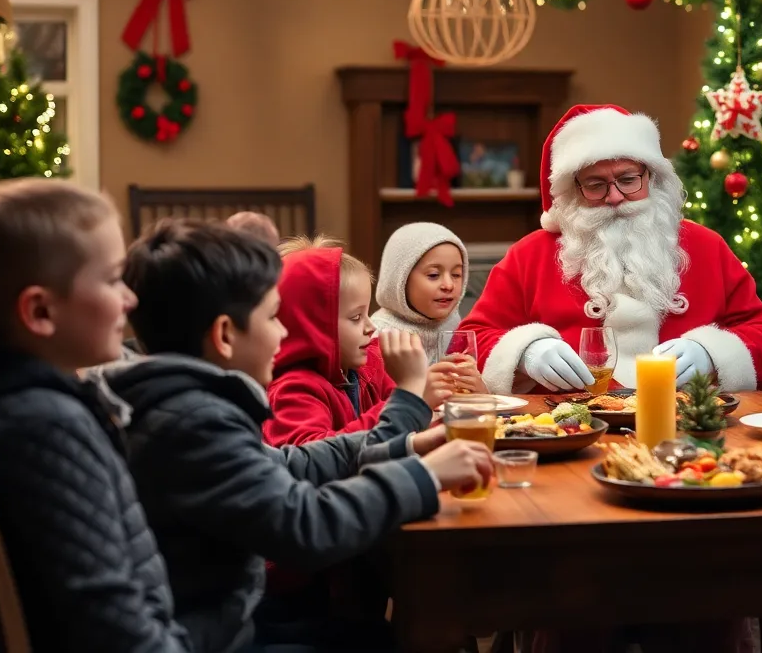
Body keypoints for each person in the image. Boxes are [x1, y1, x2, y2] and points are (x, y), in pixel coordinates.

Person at [103, 220, 493, 652]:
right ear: (225, 336)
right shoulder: (193, 423)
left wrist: (408, 446)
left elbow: (293, 463)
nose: (286, 332)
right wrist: (423, 476)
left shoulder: (190, 405)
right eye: (273, 317)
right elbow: (305, 525)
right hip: (233, 634)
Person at [459, 104, 762, 393]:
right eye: (595, 185)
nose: (615, 196)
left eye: (628, 179)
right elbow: (469, 339)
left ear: (652, 176)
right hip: (567, 426)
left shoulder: (706, 246)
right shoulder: (530, 254)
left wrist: (712, 353)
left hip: (689, 422)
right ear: (573, 191)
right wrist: (525, 352)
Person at [0, 179, 191, 651]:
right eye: (112, 279)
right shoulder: (47, 426)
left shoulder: (44, 406)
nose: (130, 299)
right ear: (41, 310)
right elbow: (114, 625)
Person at [265, 235, 450, 444]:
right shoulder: (292, 391)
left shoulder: (369, 365)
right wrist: (408, 396)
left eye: (367, 313)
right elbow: (319, 458)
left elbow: (407, 427)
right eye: (356, 317)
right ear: (311, 326)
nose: (371, 327)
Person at [371, 222, 486, 402]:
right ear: (400, 279)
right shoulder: (376, 336)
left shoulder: (457, 327)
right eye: (433, 275)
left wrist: (480, 391)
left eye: (456, 274)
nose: (448, 285)